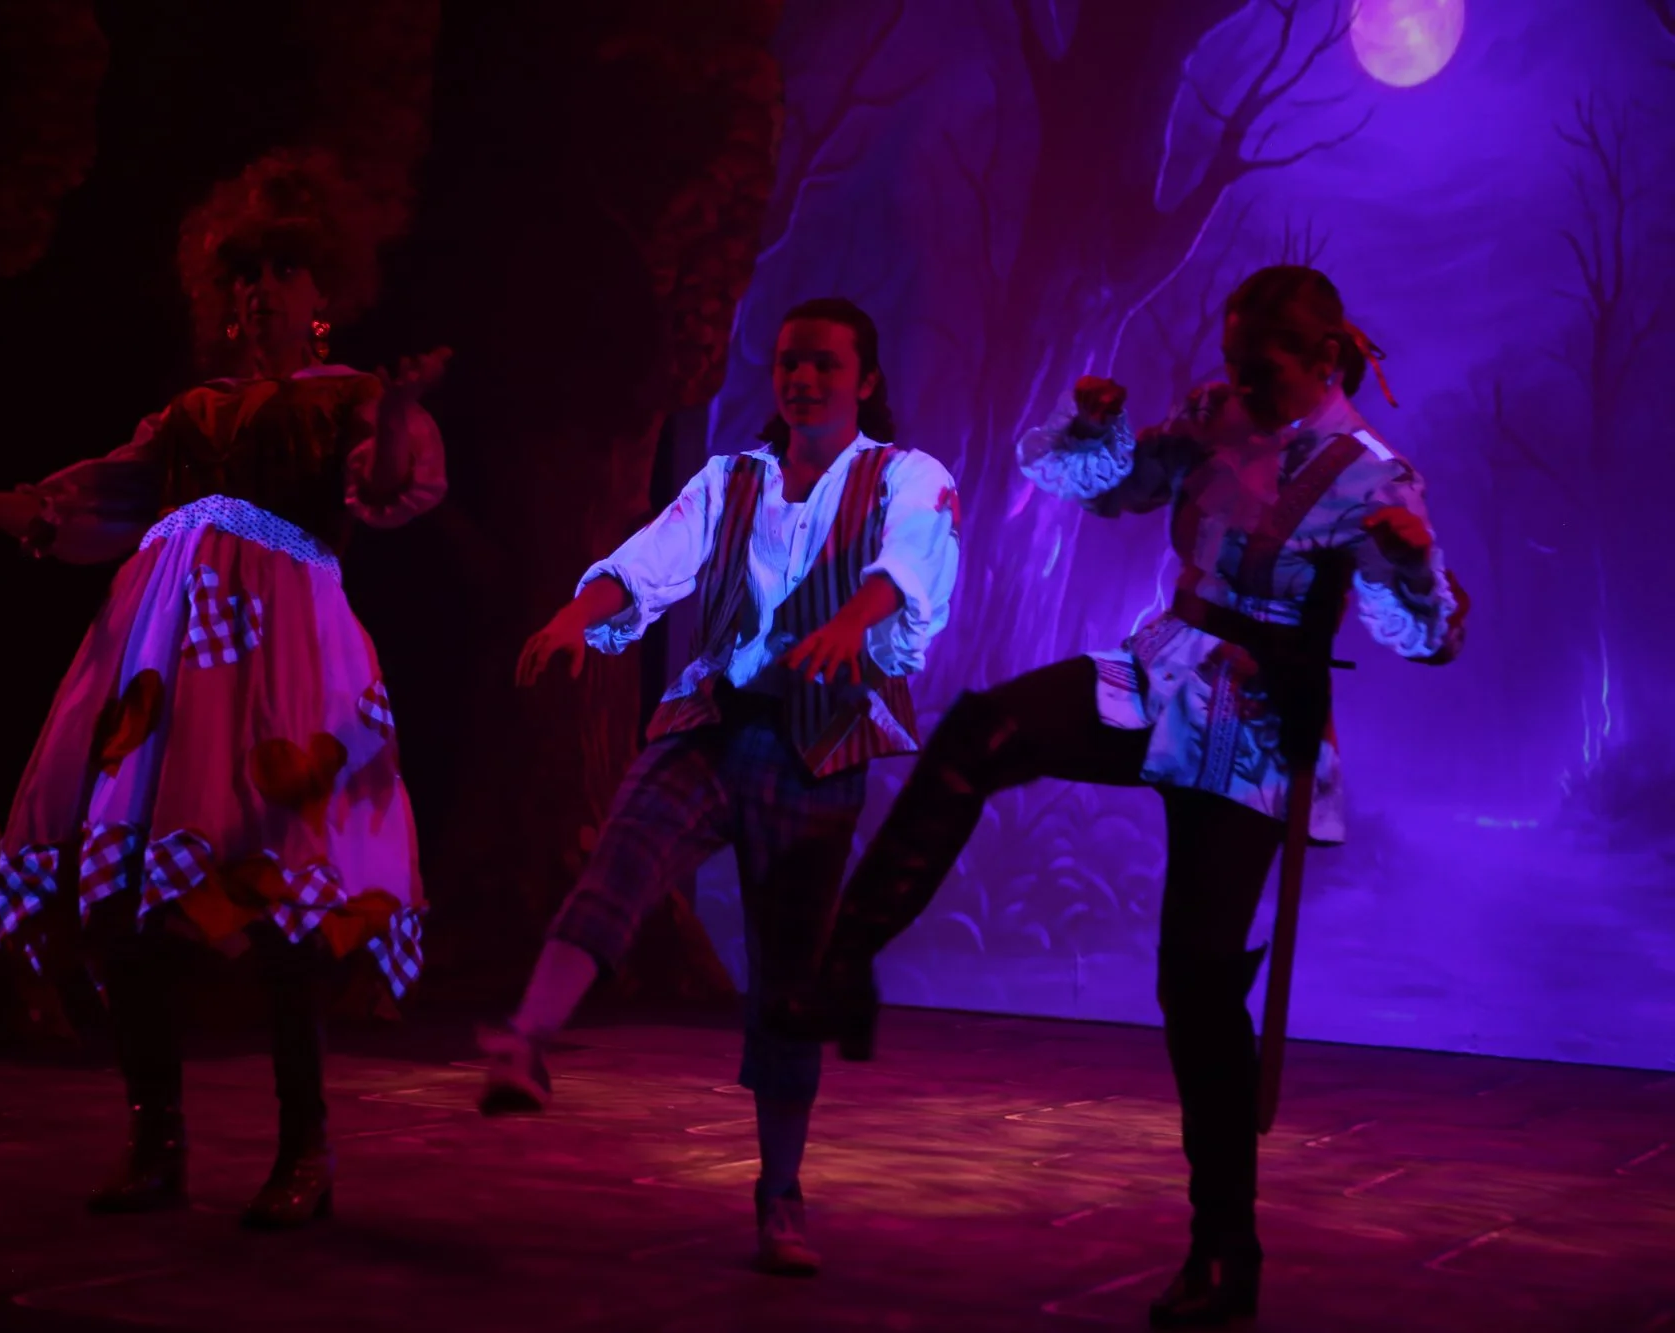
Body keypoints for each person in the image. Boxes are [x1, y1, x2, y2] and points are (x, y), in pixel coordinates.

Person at [782, 267, 1468, 1326]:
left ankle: (1222, 1251)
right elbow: (1112, 488)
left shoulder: (1372, 480)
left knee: (1194, 984)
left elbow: (1429, 639)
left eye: (1263, 366)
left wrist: (1411, 571)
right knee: (982, 731)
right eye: (1235, 360)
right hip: (1162, 668)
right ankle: (842, 964)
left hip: (1251, 719)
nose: (1242, 382)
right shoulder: (1212, 412)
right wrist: (1092, 426)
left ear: (1321, 359)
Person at [0, 147, 449, 1229]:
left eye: (282, 270)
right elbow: (54, 510)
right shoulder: (186, 419)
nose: (259, 290)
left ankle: (303, 1149)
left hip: (287, 665)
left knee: (283, 899)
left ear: (322, 293)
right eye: (244, 272)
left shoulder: (344, 399)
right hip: (164, 663)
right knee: (129, 899)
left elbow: (394, 490)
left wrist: (395, 407)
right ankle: (154, 1138)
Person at [479, 298, 961, 1275]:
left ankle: (778, 1192)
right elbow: (650, 563)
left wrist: (849, 623)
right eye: (789, 362)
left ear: (862, 380)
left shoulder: (904, 476)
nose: (803, 380)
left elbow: (912, 564)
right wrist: (579, 614)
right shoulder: (729, 481)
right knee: (621, 856)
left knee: (787, 982)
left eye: (824, 364)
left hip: (813, 748)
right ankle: (524, 1039)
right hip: (715, 724)